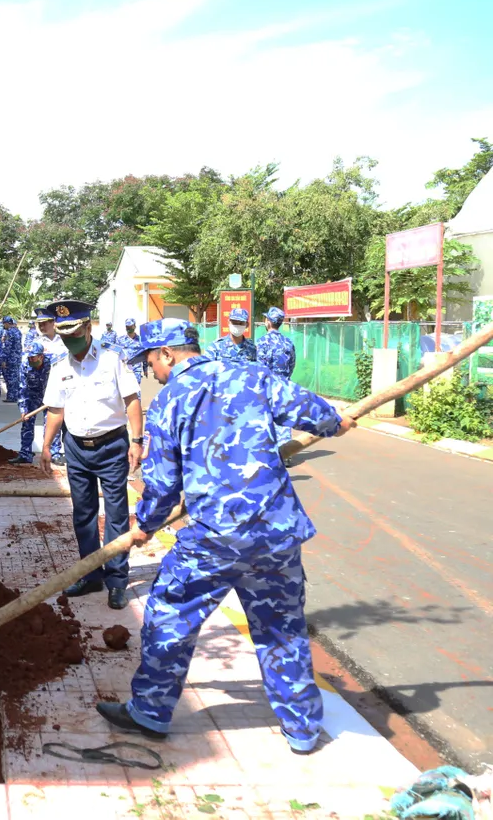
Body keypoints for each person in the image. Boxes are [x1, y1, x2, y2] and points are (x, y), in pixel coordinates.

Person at [96, 319, 355, 754]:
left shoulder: (169, 401)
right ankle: (303, 729)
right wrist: (337, 422)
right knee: (282, 630)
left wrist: (145, 523)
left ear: (167, 354)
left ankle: (150, 712)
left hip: (213, 539)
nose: (150, 371)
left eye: (150, 362)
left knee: (169, 620)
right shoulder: (252, 375)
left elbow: (161, 484)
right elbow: (316, 414)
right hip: (274, 533)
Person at [38, 300, 143, 610]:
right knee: (82, 515)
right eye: (63, 335)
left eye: (73, 333)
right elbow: (56, 411)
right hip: (76, 449)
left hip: (111, 447)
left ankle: (117, 580)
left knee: (116, 515)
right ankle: (90, 573)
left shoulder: (112, 360)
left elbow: (133, 401)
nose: (68, 340)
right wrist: (46, 446)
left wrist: (136, 441)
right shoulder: (60, 367)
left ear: (87, 327)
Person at [257, 307, 298, 458]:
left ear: (268, 322)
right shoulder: (288, 343)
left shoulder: (262, 342)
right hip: (284, 384)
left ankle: (268, 454)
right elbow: (292, 363)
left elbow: (259, 366)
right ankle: (286, 454)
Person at [32, 307, 68, 464]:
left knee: (67, 420)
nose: (42, 326)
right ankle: (53, 451)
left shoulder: (65, 340)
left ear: (54, 323)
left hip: (65, 386)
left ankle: (70, 451)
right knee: (50, 419)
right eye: (39, 323)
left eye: (45, 323)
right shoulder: (36, 342)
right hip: (43, 387)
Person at [9, 342, 50, 465]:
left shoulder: (52, 364)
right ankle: (25, 454)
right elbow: (22, 388)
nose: (30, 359)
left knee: (50, 425)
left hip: (49, 397)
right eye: (29, 357)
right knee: (27, 423)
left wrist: (55, 400)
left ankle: (53, 453)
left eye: (33, 357)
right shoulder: (25, 365)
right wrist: (23, 409)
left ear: (41, 356)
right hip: (32, 395)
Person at [0, 315, 22, 401]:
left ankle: (11, 397)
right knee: (16, 377)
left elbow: (7, 347)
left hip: (11, 358)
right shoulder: (18, 332)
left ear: (7, 323)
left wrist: (4, 360)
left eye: (4, 323)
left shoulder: (9, 332)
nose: (3, 326)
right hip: (17, 358)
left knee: (10, 378)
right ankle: (16, 396)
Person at [117, 318, 145, 383]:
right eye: (127, 327)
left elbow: (144, 354)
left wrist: (145, 368)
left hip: (136, 369)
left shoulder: (141, 340)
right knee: (125, 391)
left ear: (134, 326)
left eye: (131, 326)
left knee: (136, 391)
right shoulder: (120, 340)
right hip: (124, 369)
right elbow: (116, 353)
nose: (129, 328)